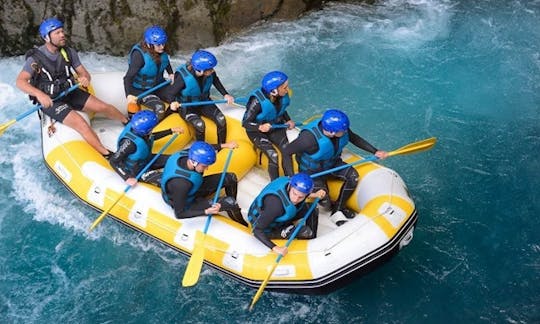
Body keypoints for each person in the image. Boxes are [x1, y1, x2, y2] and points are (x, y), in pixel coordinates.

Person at [15, 17, 129, 158]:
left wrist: (85, 79)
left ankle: (128, 123)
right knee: (81, 124)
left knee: (104, 107)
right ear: (46, 37)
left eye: (62, 31)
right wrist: (40, 95)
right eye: (57, 33)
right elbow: (20, 81)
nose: (62, 35)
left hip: (69, 92)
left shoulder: (68, 52)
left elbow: (84, 74)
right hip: (52, 101)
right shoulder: (35, 59)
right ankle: (108, 155)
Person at [282, 109, 388, 224]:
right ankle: (330, 206)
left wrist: (375, 151)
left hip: (332, 164)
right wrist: (291, 177)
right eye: (343, 130)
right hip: (311, 172)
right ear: (332, 132)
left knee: (353, 177)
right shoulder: (308, 139)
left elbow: (354, 138)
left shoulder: (340, 130)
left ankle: (338, 209)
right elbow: (287, 152)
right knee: (325, 202)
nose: (345, 131)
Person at [160, 141, 247, 225]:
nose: (207, 168)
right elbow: (179, 214)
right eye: (204, 166)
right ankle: (241, 224)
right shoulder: (181, 184)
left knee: (231, 177)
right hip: (188, 202)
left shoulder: (187, 154)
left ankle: (232, 205)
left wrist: (225, 145)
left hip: (193, 188)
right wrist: (206, 211)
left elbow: (205, 149)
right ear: (194, 162)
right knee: (230, 202)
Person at [166, 50, 235, 151]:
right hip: (186, 106)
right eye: (210, 69)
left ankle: (222, 148)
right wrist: (173, 102)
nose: (212, 70)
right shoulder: (183, 77)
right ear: (201, 70)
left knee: (221, 119)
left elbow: (216, 81)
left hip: (204, 102)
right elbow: (170, 93)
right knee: (200, 125)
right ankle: (200, 150)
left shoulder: (209, 73)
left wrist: (225, 94)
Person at [247, 173, 326, 256]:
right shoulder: (275, 206)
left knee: (313, 208)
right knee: (305, 232)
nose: (295, 199)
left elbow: (301, 193)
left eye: (301, 197)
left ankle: (313, 242)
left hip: (282, 213)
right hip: (269, 228)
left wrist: (315, 195)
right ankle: (306, 249)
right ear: (289, 187)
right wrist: (275, 248)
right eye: (294, 194)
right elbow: (256, 230)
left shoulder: (292, 186)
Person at [242, 71, 296, 180]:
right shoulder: (257, 101)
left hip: (275, 126)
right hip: (256, 131)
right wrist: (259, 127)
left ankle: (291, 180)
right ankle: (275, 183)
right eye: (284, 87)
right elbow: (245, 123)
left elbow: (281, 110)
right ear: (274, 91)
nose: (287, 89)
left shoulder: (281, 97)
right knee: (274, 155)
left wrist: (288, 120)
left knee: (287, 150)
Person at [109, 111, 183, 187]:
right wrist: (127, 178)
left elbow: (151, 137)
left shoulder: (139, 130)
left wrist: (170, 131)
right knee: (166, 180)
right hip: (137, 171)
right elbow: (113, 161)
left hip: (147, 159)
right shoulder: (129, 144)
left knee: (174, 159)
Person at [123, 25, 174, 120]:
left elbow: (165, 62)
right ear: (149, 44)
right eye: (159, 45)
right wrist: (129, 95)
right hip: (141, 90)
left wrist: (171, 74)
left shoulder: (161, 51)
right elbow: (128, 78)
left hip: (158, 86)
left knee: (178, 96)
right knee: (159, 107)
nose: (162, 47)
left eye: (163, 44)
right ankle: (151, 127)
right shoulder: (139, 56)